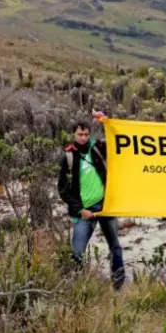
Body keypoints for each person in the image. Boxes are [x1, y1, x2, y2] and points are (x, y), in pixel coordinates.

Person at [57, 117, 125, 291]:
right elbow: (63, 190)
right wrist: (80, 209)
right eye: (80, 134)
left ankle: (118, 286)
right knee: (77, 252)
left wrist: (107, 121)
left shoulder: (96, 148)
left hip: (105, 206)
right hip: (84, 212)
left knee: (115, 246)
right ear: (74, 134)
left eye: (86, 134)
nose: (83, 138)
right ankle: (79, 288)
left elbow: (117, 138)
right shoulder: (69, 157)